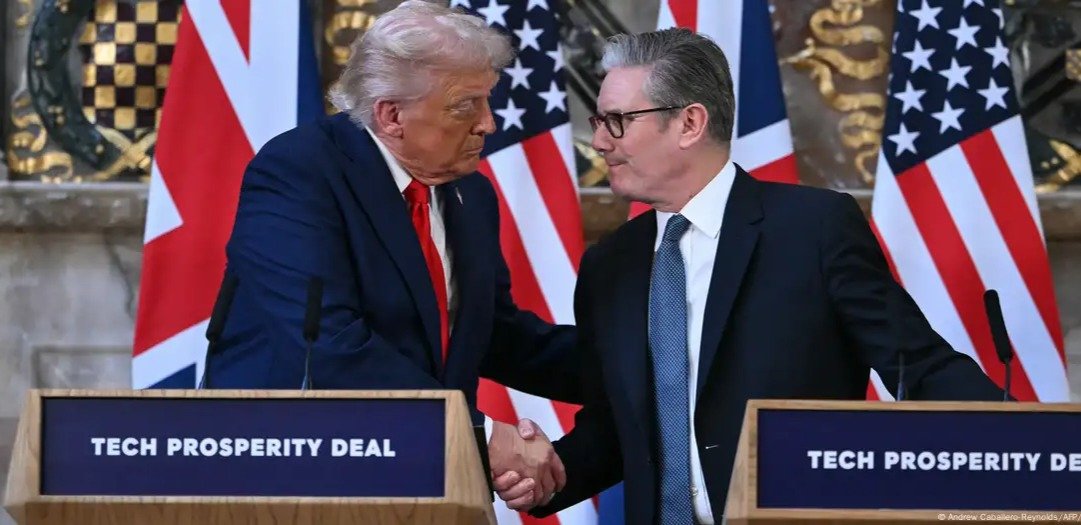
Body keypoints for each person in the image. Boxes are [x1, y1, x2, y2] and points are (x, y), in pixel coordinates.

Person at [494, 28, 1006, 523]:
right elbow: (618, 424)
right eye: (599, 121)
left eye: (617, 121)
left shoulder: (812, 230)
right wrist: (552, 474)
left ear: (689, 123)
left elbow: (917, 366)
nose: (600, 141)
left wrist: (1022, 450)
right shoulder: (610, 264)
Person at [204, 0, 572, 503]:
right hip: (296, 474)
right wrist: (479, 436)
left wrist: (642, 365)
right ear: (392, 115)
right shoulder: (300, 172)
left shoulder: (470, 194)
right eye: (466, 105)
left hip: (425, 482)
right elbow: (328, 346)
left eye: (487, 100)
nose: (488, 123)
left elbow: (492, 334)